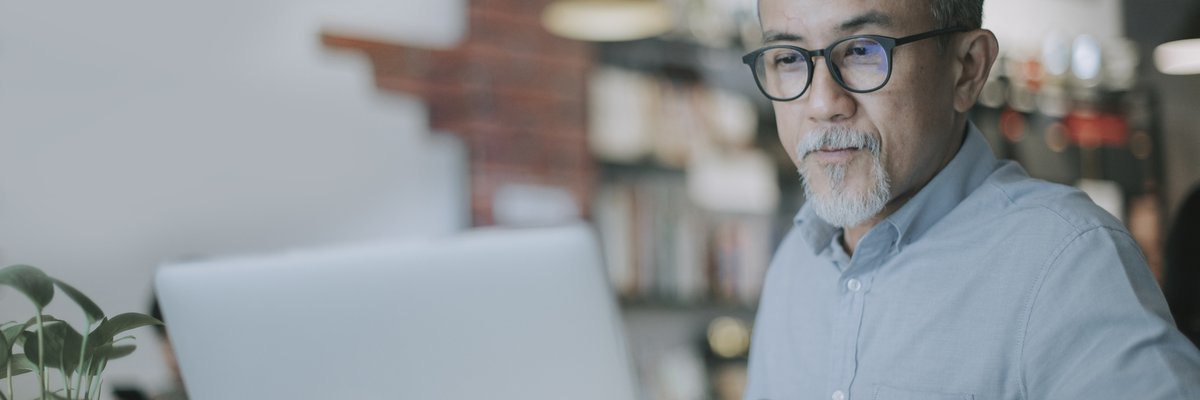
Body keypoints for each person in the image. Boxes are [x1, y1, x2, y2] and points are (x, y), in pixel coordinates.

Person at [740, 0, 1200, 399]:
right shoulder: (794, 265)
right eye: (787, 58)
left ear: (967, 69)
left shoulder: (1066, 261)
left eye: (862, 51)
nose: (823, 103)